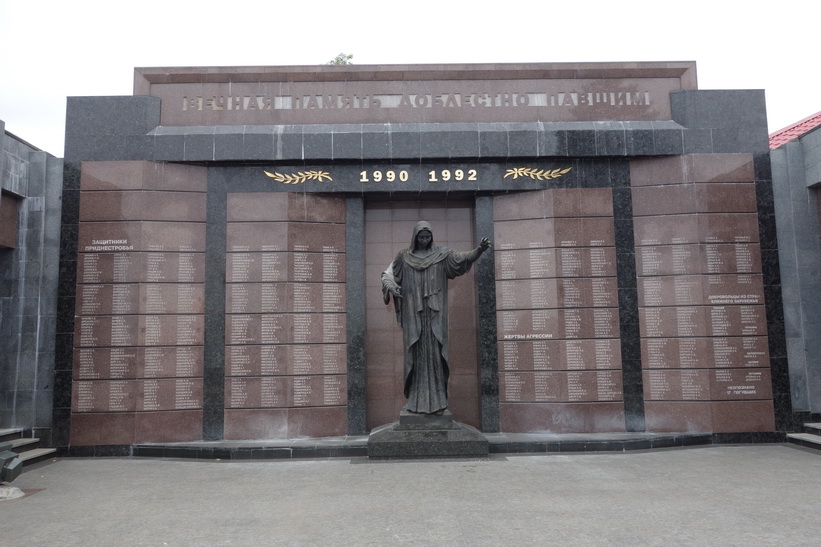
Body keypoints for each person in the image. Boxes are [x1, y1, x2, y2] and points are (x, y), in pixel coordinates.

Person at [381, 221, 491, 414]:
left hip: (435, 317)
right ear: (415, 237)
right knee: (415, 356)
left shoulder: (442, 255)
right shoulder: (404, 257)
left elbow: (463, 259)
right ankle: (415, 402)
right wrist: (391, 286)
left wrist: (479, 250)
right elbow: (387, 275)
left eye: (428, 237)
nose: (425, 240)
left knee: (436, 356)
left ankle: (438, 402)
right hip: (414, 317)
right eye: (421, 237)